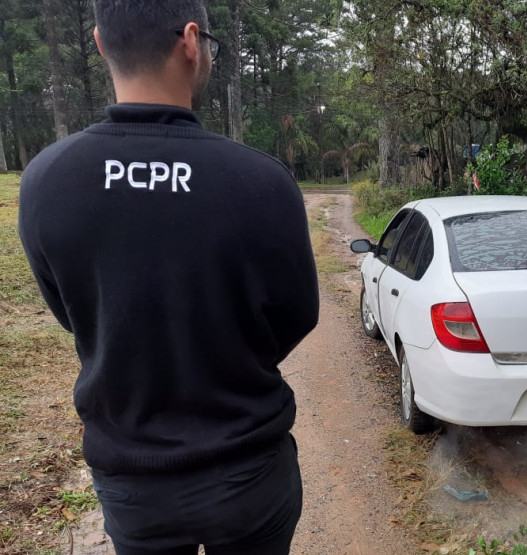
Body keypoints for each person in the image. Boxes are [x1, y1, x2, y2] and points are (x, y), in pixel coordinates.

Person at [18, 1, 319, 553]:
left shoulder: (47, 180)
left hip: (134, 482)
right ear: (189, 40)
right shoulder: (262, 182)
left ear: (102, 43)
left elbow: (72, 312)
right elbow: (298, 315)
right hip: (248, 468)